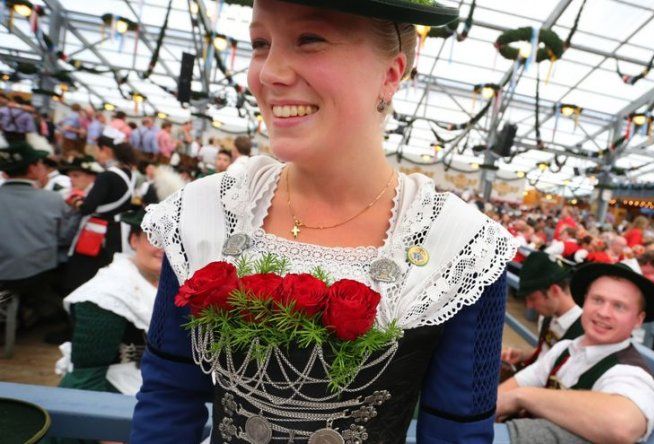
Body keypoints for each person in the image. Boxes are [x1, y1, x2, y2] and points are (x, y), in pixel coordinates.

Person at [131, 1, 518, 442]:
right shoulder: (206, 211)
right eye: (260, 43)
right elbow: (167, 394)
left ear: (391, 74)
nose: (269, 73)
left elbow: (457, 433)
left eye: (309, 39)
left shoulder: (462, 246)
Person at [497, 262, 654, 443]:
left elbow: (622, 424)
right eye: (597, 300)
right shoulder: (566, 348)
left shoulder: (632, 373)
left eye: (619, 306)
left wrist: (523, 396)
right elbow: (515, 385)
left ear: (638, 319)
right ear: (585, 302)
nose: (603, 312)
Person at [56, 209, 162, 395]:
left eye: (175, 240)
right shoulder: (106, 295)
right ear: (134, 240)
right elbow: (87, 379)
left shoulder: (179, 281)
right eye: (155, 238)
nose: (165, 247)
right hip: (121, 386)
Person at [0, 142, 79, 327]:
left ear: (4, 172)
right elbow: (65, 238)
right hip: (37, 275)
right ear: (33, 168)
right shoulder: (52, 199)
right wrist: (76, 213)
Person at [62, 128, 136, 295]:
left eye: (97, 149)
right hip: (117, 231)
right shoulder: (129, 173)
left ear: (106, 150)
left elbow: (88, 207)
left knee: (85, 278)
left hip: (98, 234)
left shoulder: (107, 176)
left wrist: (76, 200)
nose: (96, 153)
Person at [500, 252, 581, 378]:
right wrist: (523, 355)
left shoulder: (583, 332)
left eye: (532, 298)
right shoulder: (548, 317)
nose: (529, 306)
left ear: (554, 290)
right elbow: (548, 355)